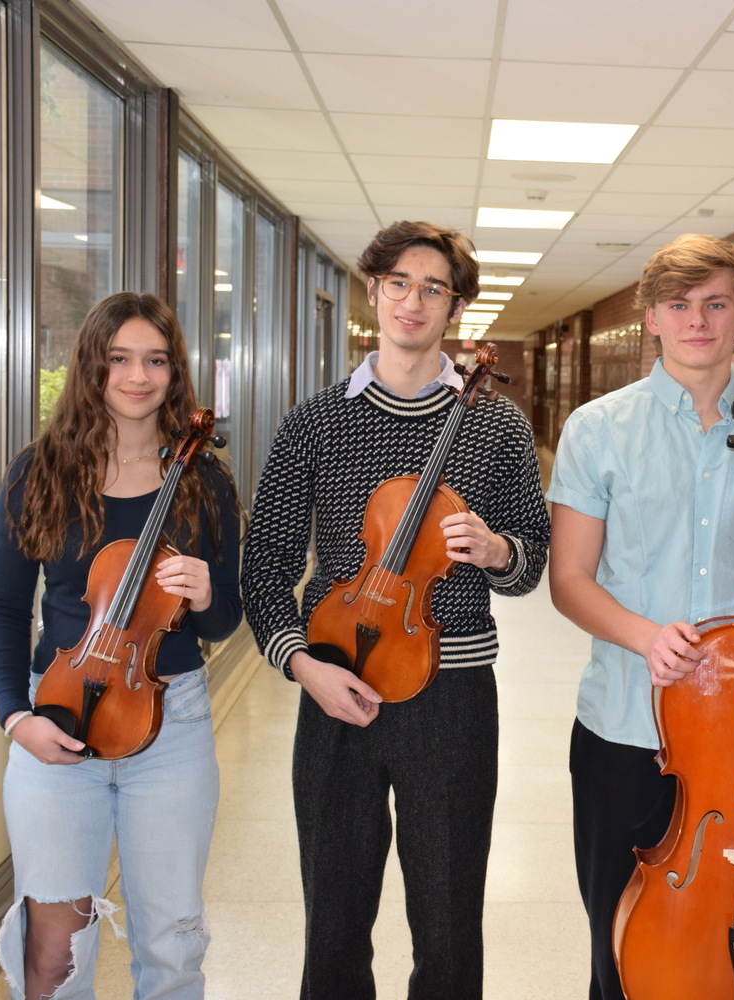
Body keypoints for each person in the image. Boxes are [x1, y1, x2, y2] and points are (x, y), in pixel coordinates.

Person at [239, 220, 550, 1000]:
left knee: (448, 920)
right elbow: (267, 565)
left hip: (452, 691)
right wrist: (301, 666)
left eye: (434, 288)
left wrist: (497, 550)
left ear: (456, 307)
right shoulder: (314, 421)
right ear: (373, 290)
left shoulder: (496, 424)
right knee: (334, 919)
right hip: (335, 684)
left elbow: (531, 562)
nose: (414, 302)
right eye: (399, 284)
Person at [547, 234, 734, 1000]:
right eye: (679, 304)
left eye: (716, 303)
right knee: (623, 947)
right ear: (651, 319)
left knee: (728, 958)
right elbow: (568, 580)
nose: (697, 320)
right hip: (624, 726)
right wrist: (644, 636)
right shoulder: (597, 428)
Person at [0, 292, 243, 1000]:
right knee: (53, 954)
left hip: (172, 727)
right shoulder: (39, 470)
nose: (137, 377)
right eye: (119, 359)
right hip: (56, 722)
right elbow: (2, 612)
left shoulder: (204, 480)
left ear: (173, 372)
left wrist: (208, 594)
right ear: (92, 367)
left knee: (172, 943)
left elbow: (222, 626)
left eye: (155, 361)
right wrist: (16, 717)